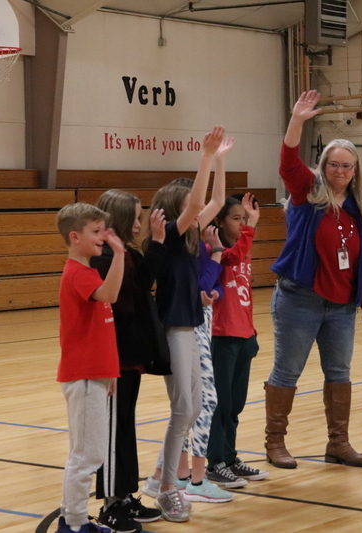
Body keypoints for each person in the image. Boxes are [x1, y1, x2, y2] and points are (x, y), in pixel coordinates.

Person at [265, 90, 362, 469]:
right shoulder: (307, 192)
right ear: (324, 165)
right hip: (300, 299)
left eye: (347, 166)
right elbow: (287, 163)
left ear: (355, 170)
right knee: (287, 370)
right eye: (334, 164)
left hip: (341, 305)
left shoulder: (358, 207)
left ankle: (339, 443)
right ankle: (275, 442)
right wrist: (297, 120)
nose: (340, 171)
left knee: (339, 373)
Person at [138, 126, 231, 523]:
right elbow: (197, 203)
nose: (199, 213)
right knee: (184, 409)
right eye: (190, 210)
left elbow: (217, 200)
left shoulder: (190, 238)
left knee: (191, 409)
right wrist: (205, 157)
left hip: (191, 326)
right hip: (173, 327)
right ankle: (166, 486)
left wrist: (221, 159)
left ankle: (160, 478)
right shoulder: (171, 238)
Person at [90, 190, 168, 532]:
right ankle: (109, 503)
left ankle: (123, 495)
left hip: (131, 356)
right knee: (112, 432)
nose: (139, 224)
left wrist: (158, 243)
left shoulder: (128, 254)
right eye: (135, 218)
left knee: (125, 427)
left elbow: (144, 283)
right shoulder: (105, 258)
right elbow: (120, 303)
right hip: (114, 359)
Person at [54, 202, 125, 533]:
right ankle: (76, 524)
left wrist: (109, 371)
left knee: (85, 453)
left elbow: (101, 326)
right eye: (95, 232)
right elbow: (111, 293)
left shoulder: (88, 271)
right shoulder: (78, 273)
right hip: (83, 376)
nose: (102, 237)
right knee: (87, 455)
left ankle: (74, 518)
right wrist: (120, 254)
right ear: (74, 236)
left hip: (95, 374)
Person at [206, 194, 269, 484]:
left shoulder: (244, 246)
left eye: (244, 218)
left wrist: (252, 332)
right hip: (222, 336)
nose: (242, 224)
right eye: (236, 218)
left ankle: (230, 458)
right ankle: (214, 462)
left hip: (244, 335)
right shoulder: (213, 249)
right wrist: (251, 228)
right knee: (221, 403)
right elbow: (232, 257)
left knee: (235, 404)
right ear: (218, 221)